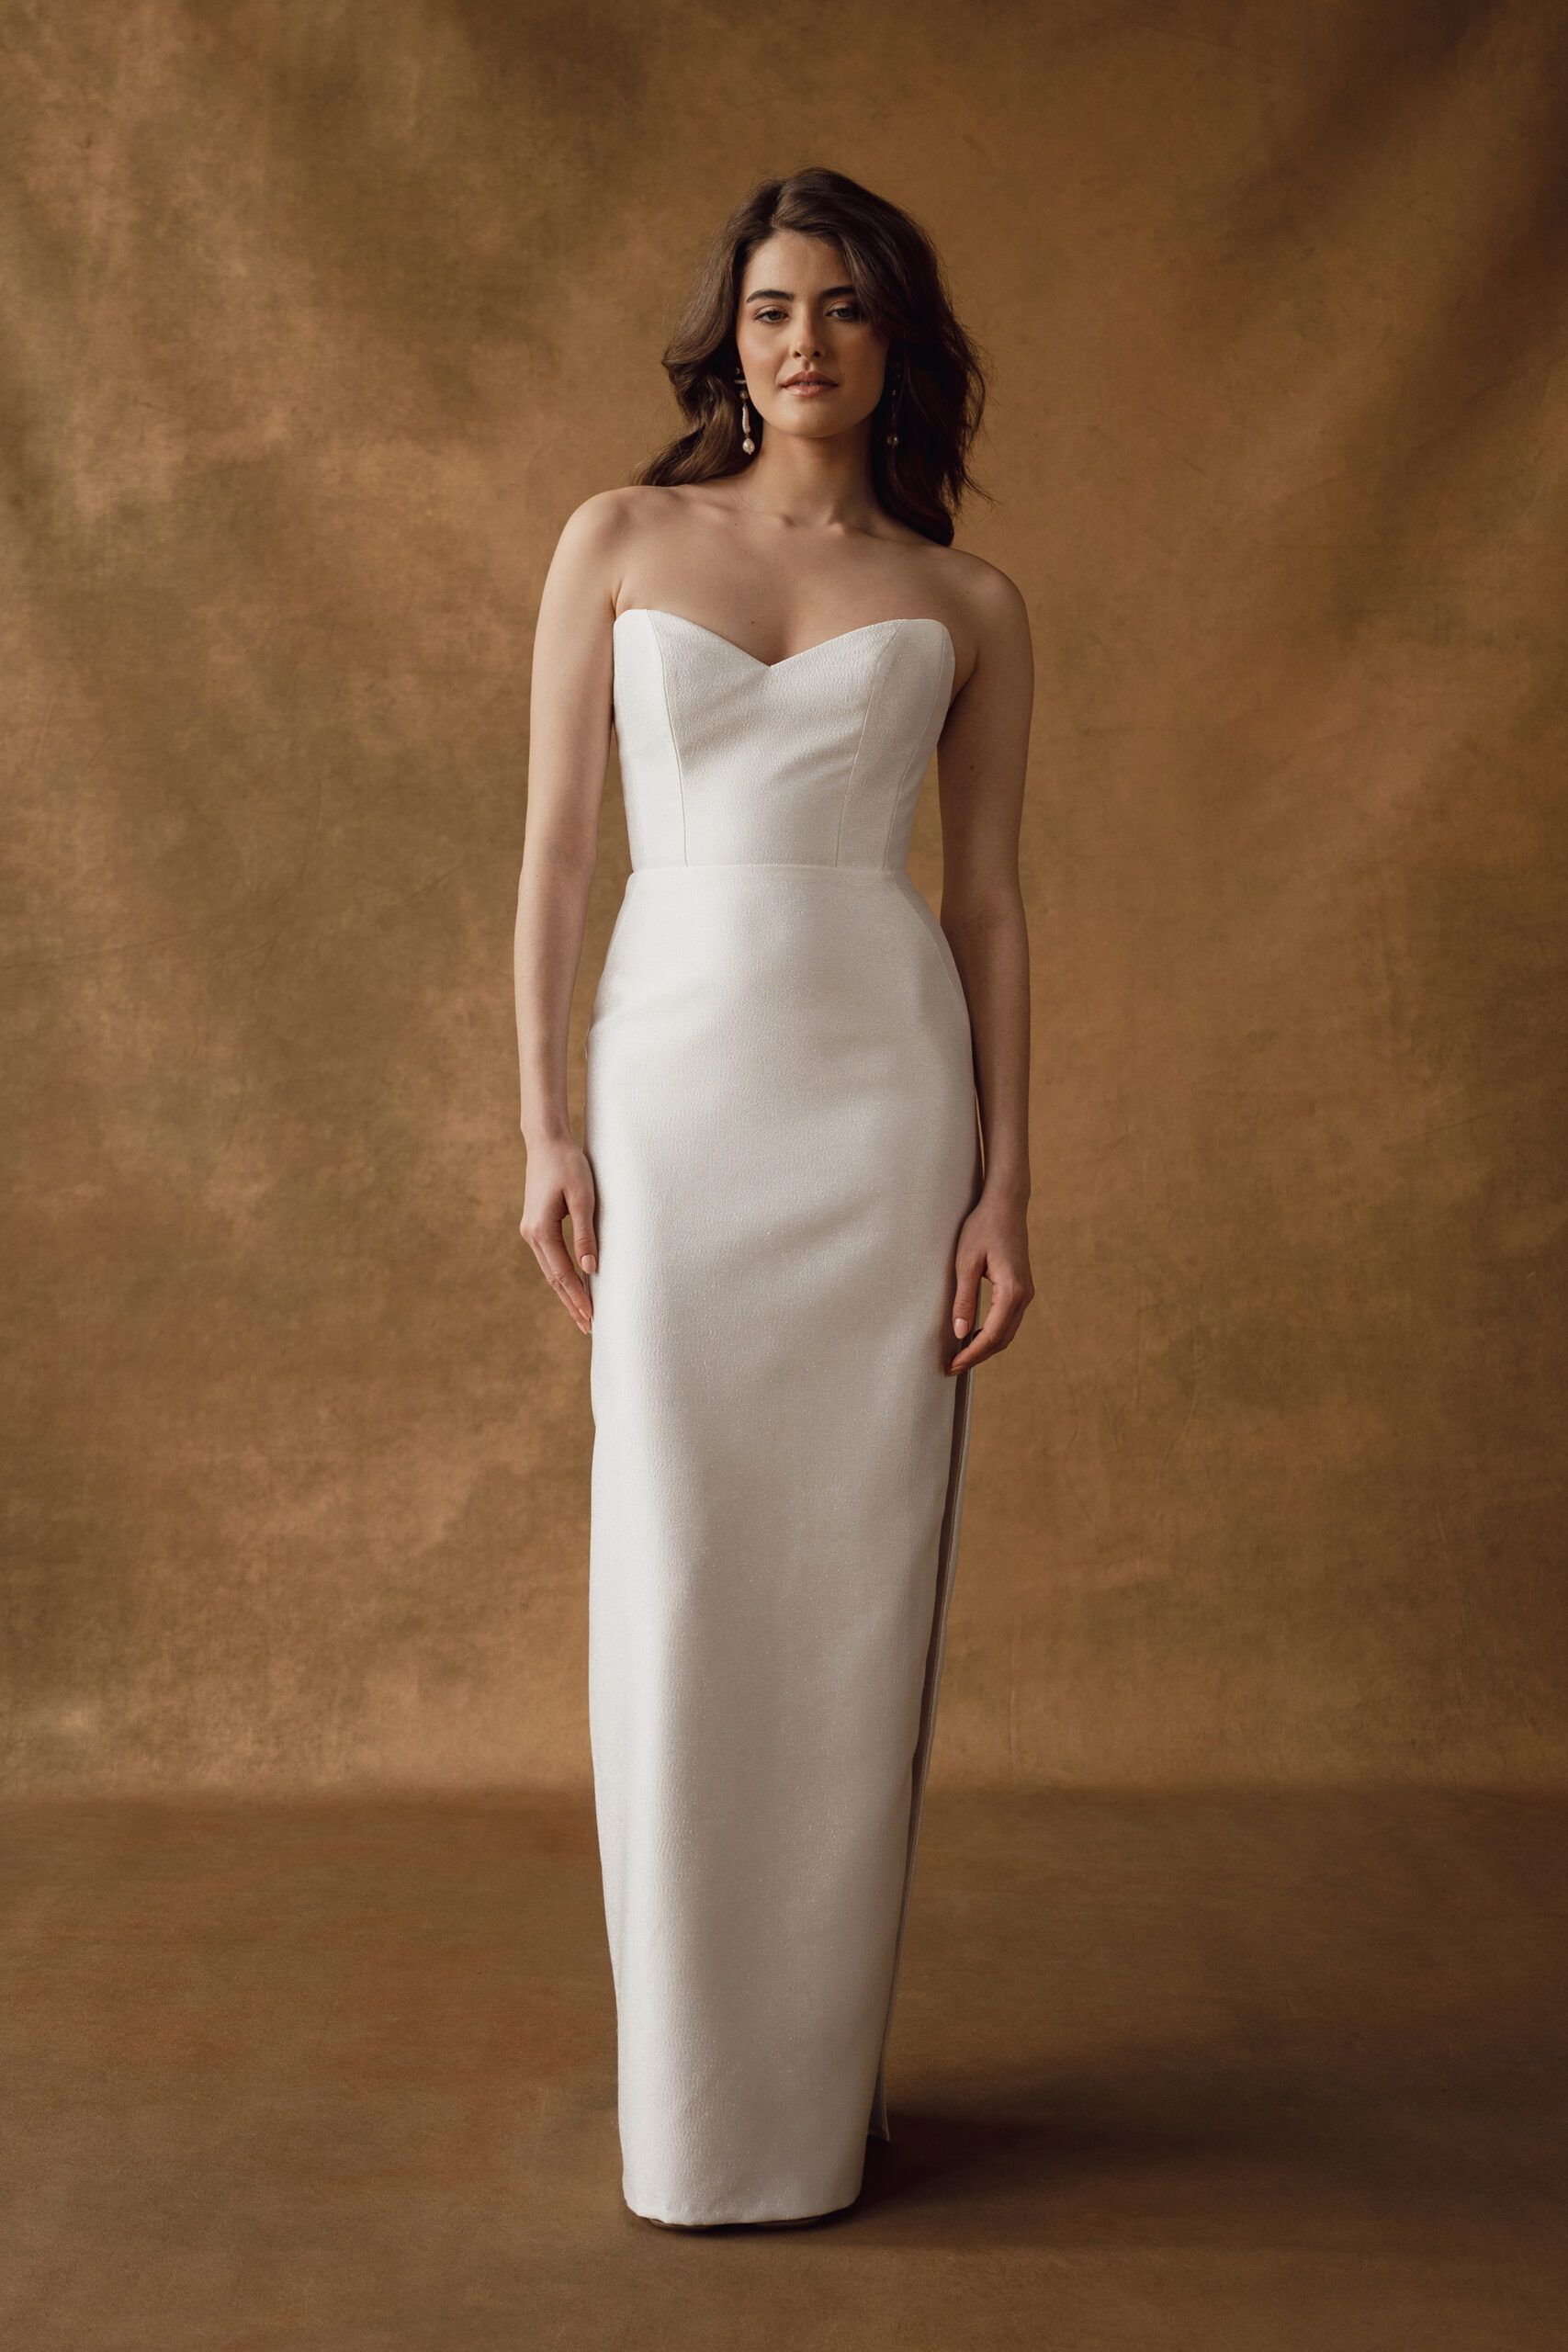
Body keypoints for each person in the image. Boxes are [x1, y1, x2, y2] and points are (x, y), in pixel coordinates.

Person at [513, 165, 1034, 2230]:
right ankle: (690, 2110)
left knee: (848, 1599)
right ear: (726, 345)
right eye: (763, 312)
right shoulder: (618, 539)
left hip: (879, 1098)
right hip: (668, 1087)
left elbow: (983, 906)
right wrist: (541, 1127)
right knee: (676, 1569)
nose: (798, 340)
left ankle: (805, 2107)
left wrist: (1006, 1176)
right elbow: (558, 853)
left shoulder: (968, 601)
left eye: (835, 309)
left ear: (891, 341)